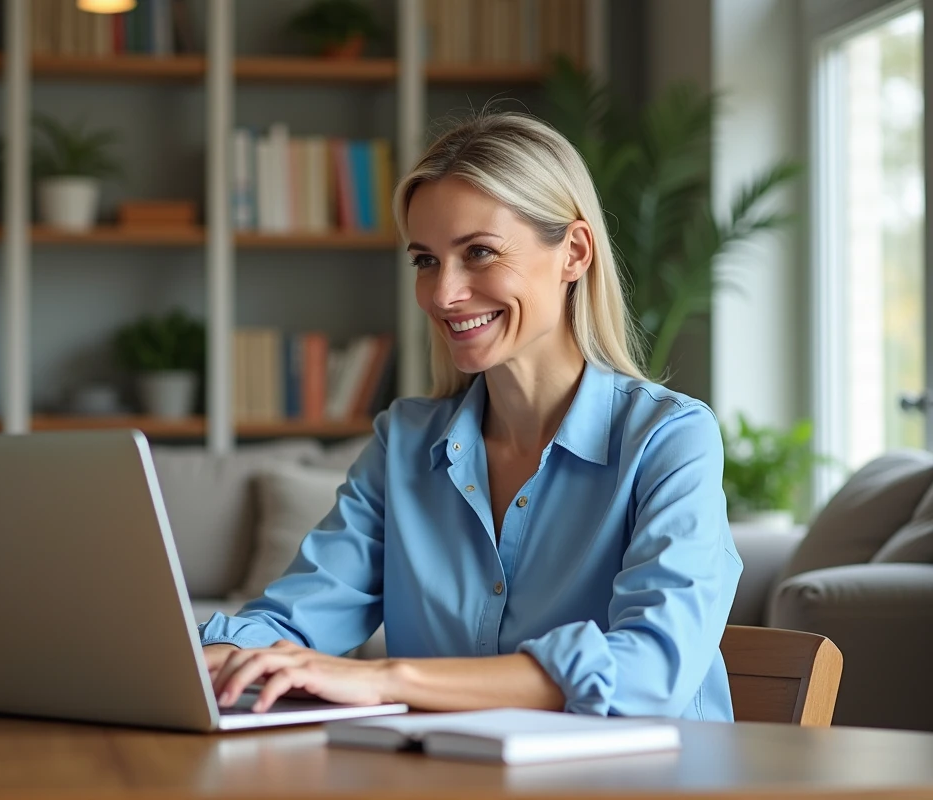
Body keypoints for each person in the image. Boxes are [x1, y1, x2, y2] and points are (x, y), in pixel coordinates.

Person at [198, 111, 743, 720]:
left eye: (479, 252)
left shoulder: (670, 440)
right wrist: (217, 656)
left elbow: (652, 669)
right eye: (426, 260)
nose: (442, 293)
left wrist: (389, 679)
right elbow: (294, 621)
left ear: (574, 252)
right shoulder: (404, 443)